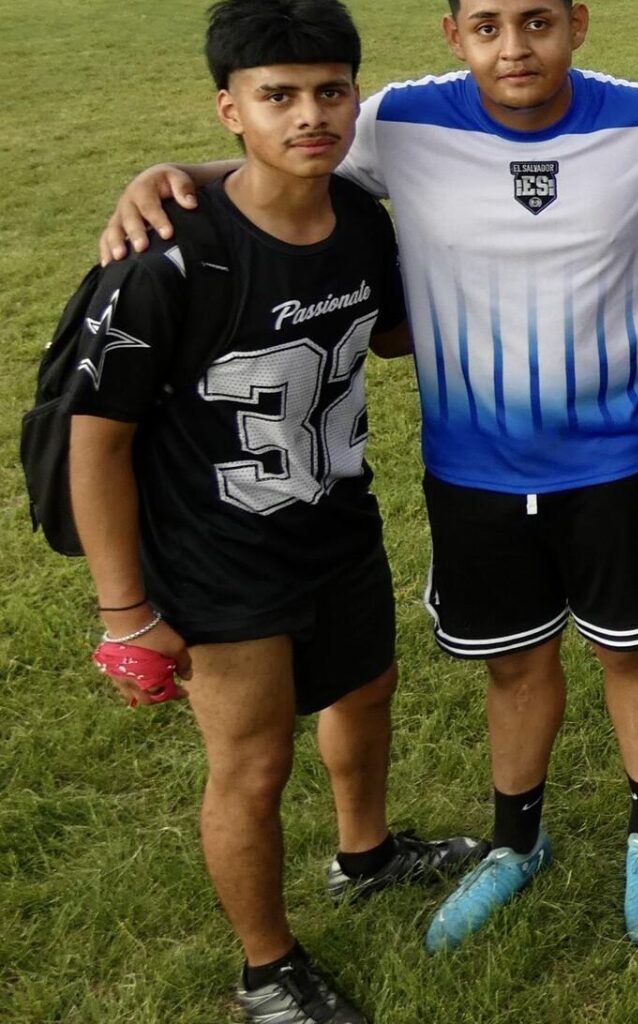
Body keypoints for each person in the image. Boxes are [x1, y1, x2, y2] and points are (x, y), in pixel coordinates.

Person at [97, 0, 638, 951]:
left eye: (537, 22)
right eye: (488, 25)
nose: (514, 48)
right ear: (452, 33)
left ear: (578, 23)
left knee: (631, 649)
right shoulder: (397, 120)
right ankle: (516, 843)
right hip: (474, 464)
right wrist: (172, 175)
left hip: (622, 454)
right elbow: (287, 156)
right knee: (514, 663)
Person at [68, 2, 484, 1020]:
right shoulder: (168, 255)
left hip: (335, 518)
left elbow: (392, 335)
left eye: (330, 91)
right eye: (278, 95)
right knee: (253, 764)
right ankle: (266, 969)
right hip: (218, 551)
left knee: (367, 688)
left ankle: (366, 854)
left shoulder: (360, 220)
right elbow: (97, 441)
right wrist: (125, 613)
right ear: (230, 109)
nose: (310, 115)